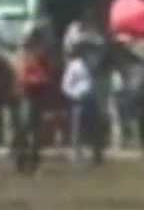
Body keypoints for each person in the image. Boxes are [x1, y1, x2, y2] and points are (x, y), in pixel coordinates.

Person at [16, 29, 54, 173]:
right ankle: (22, 157)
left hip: (37, 95)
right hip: (28, 95)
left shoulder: (41, 59)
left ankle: (33, 157)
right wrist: (39, 79)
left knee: (35, 128)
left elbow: (46, 75)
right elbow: (23, 76)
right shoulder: (25, 57)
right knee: (26, 126)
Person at [62, 42, 98, 166]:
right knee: (77, 128)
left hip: (91, 99)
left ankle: (93, 153)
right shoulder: (74, 66)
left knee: (92, 126)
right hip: (79, 100)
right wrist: (76, 96)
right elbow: (65, 85)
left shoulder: (93, 64)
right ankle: (77, 153)